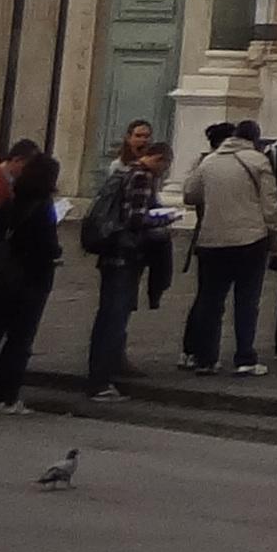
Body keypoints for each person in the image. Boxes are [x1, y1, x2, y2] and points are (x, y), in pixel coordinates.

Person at [180, 116, 277, 376]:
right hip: (251, 239)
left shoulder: (208, 161)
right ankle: (245, 357)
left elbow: (189, 194)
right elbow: (270, 206)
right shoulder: (259, 161)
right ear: (254, 139)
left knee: (211, 300)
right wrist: (275, 236)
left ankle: (206, 358)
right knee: (247, 301)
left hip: (212, 239)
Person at [83, 125, 175, 399]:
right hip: (123, 255)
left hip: (113, 253)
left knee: (108, 316)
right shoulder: (142, 177)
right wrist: (165, 218)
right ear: (159, 160)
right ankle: (100, 380)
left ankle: (104, 372)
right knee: (113, 316)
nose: (164, 173)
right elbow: (136, 219)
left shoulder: (126, 172)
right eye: (166, 166)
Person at [0, 138, 62, 410]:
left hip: (1, 273)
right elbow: (46, 245)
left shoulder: (12, 198)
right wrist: (55, 253)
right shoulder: (42, 205)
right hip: (31, 277)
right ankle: (5, 395)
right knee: (19, 338)